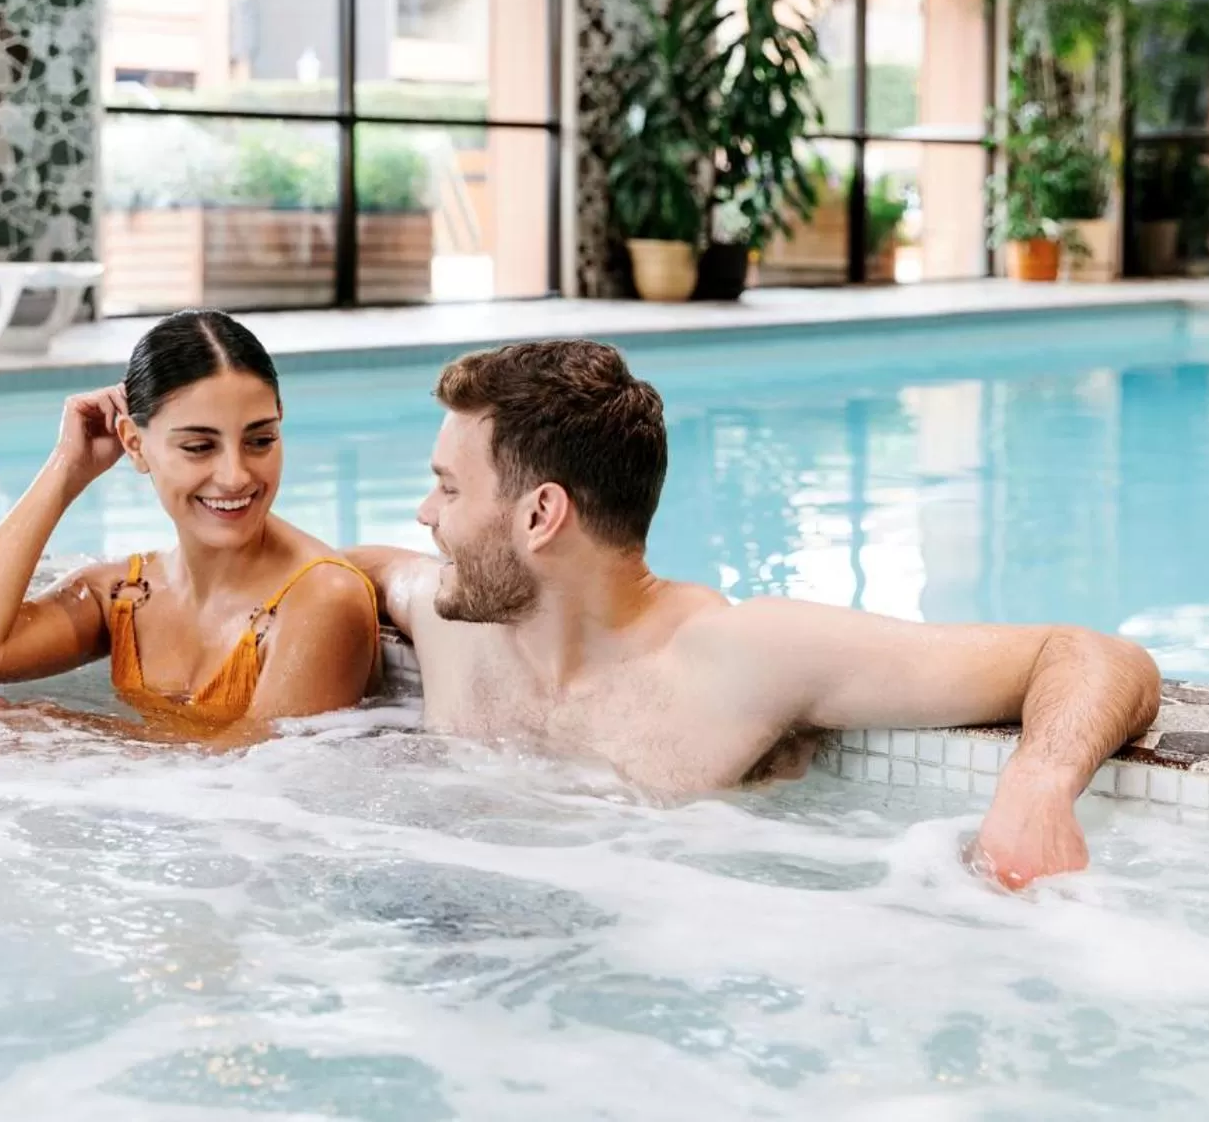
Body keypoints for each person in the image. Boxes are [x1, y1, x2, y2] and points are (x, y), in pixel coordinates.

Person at [349, 339, 1162, 889]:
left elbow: (1090, 654)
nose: (426, 514)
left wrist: (1038, 788)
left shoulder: (736, 659)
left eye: (450, 489)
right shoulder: (453, 619)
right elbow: (338, 570)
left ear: (539, 515)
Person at [0, 310, 379, 737]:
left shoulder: (322, 599)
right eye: (199, 447)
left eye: (260, 440)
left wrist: (65, 735)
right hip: (147, 817)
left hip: (237, 832)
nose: (235, 476)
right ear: (135, 444)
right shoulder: (127, 594)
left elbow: (256, 781)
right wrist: (66, 470)